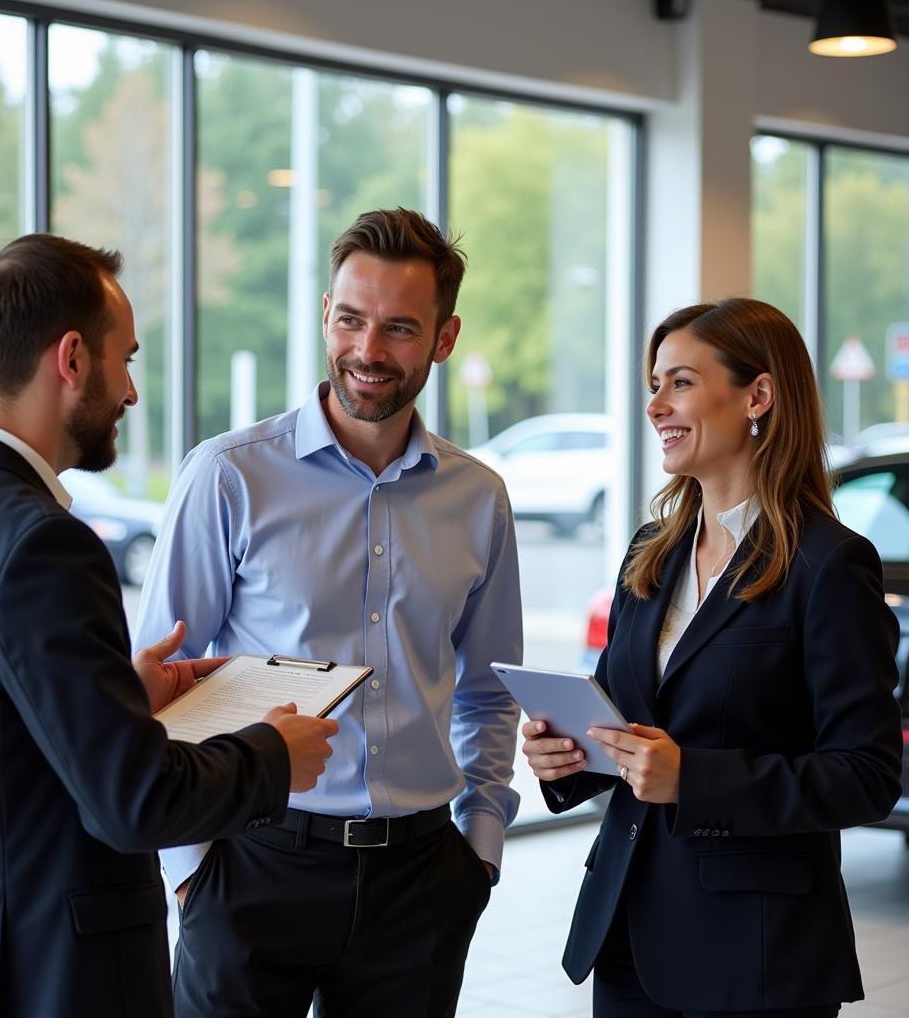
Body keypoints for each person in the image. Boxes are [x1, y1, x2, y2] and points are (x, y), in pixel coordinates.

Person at [0, 233, 338, 1018]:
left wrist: (120, 699)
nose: (131, 391)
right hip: (42, 975)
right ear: (71, 360)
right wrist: (273, 755)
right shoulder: (43, 544)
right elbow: (133, 805)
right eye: (124, 359)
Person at [135, 207, 523, 1018]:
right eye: (350, 319)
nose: (368, 352)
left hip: (421, 883)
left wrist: (479, 847)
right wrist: (191, 871)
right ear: (325, 315)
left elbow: (489, 691)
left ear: (445, 340)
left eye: (400, 329)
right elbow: (160, 688)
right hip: (252, 866)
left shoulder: (479, 498)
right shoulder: (228, 477)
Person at [523, 298, 903, 1018]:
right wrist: (565, 758)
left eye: (681, 383)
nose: (655, 405)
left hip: (754, 953)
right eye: (654, 384)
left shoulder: (830, 565)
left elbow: (867, 775)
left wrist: (694, 778)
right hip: (628, 931)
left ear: (757, 395)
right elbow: (624, 716)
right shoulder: (650, 552)